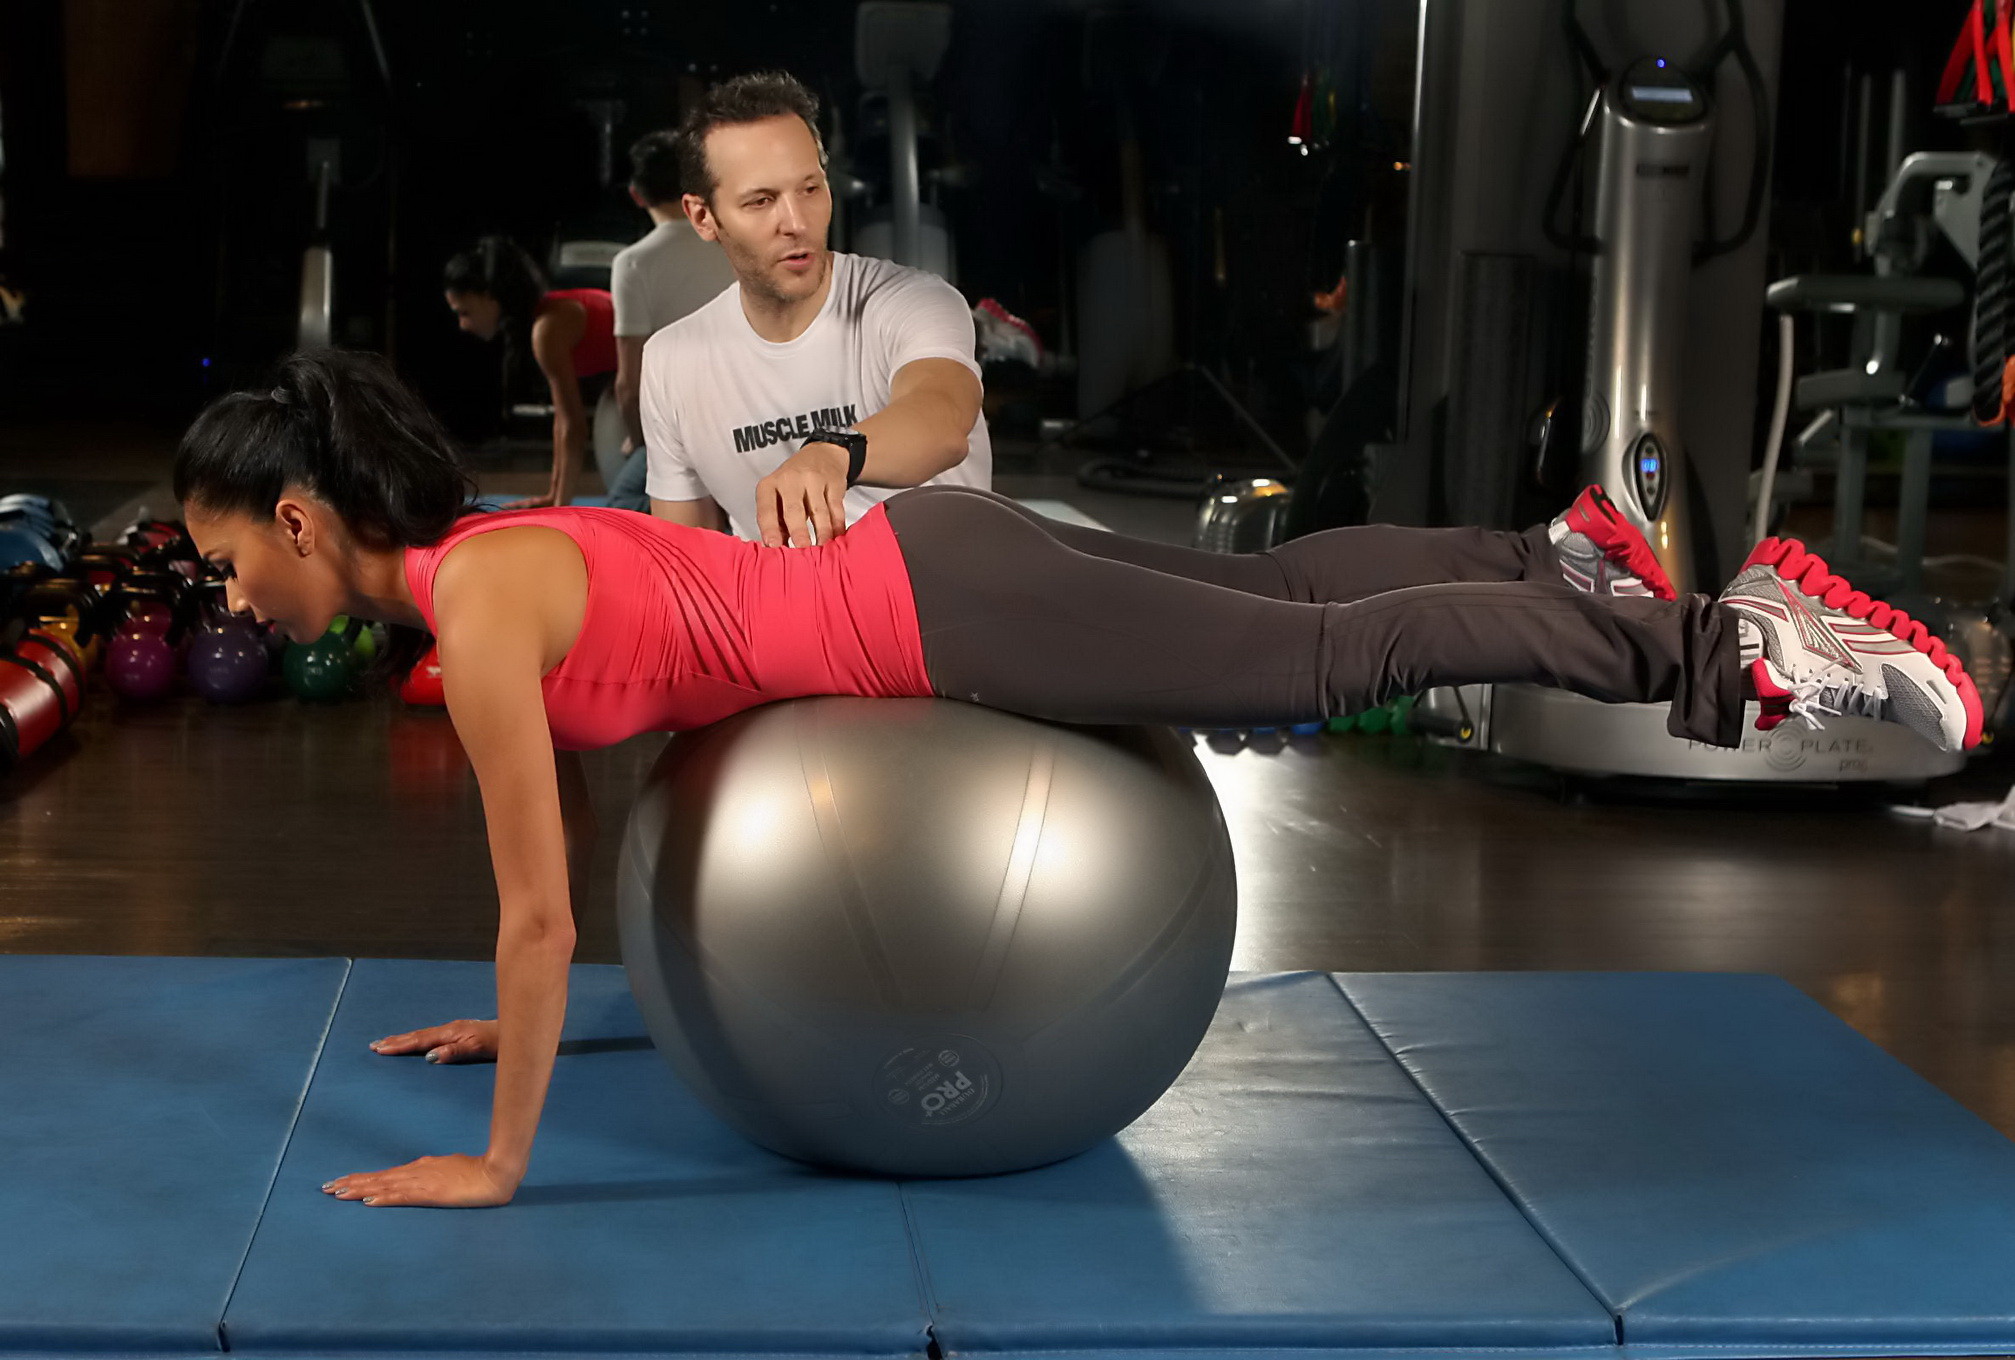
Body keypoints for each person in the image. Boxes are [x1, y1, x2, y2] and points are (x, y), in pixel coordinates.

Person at [175, 351, 1981, 1208]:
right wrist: (525, 1021)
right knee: (1282, 604)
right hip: (935, 573)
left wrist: (499, 1163)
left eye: (223, 555)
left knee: (1318, 661)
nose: (229, 594)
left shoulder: (474, 620)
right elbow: (625, 754)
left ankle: (1708, 652)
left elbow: (543, 893)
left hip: (932, 622)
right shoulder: (493, 560)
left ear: (304, 518)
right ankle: (1570, 561)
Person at [638, 71, 990, 546]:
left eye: (810, 189)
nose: (796, 223)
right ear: (703, 217)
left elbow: (944, 419)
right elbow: (687, 555)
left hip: (935, 605)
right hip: (782, 610)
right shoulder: (671, 359)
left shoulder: (914, 301)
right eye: (762, 201)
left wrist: (834, 451)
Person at [601, 131, 740, 512]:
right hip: (755, 415)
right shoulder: (736, 241)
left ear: (636, 195)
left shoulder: (633, 263)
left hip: (684, 428)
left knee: (622, 511)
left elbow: (629, 385)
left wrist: (639, 442)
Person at [443, 236, 616, 509]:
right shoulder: (546, 317)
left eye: (464, 312)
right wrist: (554, 495)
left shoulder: (548, 327)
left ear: (488, 297)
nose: (463, 324)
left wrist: (561, 505)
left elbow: (574, 426)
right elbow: (563, 420)